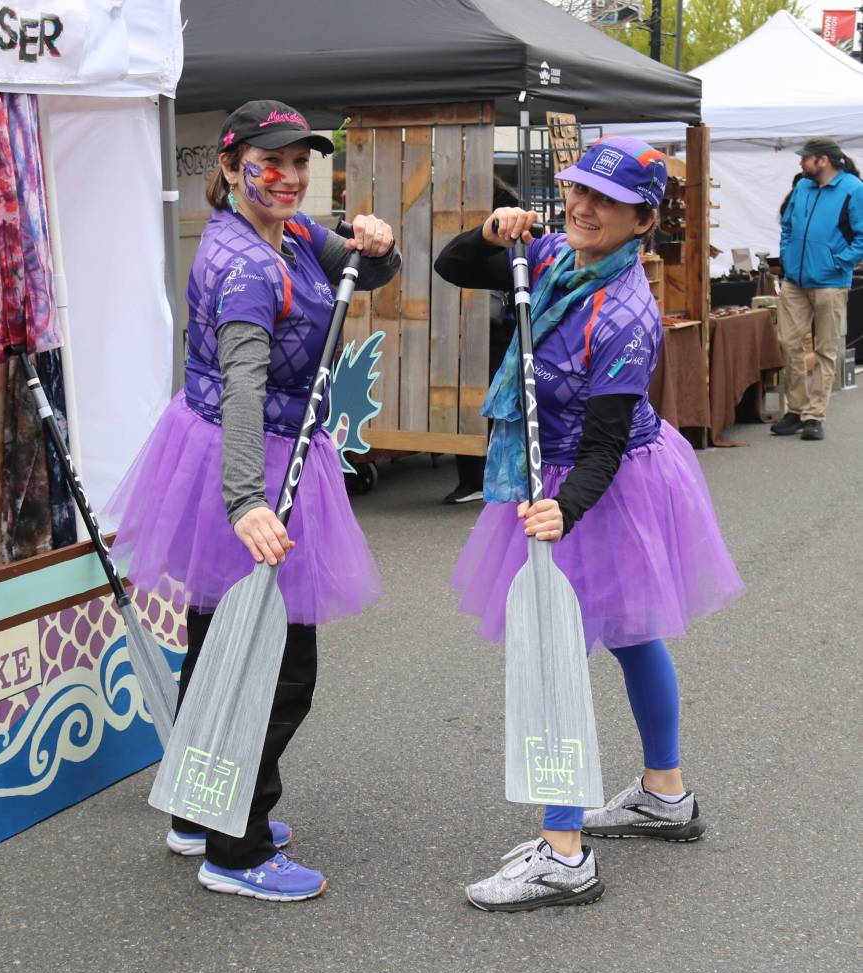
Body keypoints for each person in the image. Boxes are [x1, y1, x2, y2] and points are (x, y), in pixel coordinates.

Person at [434, 136, 744, 912]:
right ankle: (662, 794)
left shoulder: (627, 316)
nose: (581, 206)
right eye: (577, 190)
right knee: (633, 631)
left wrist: (561, 512)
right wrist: (491, 232)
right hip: (564, 466)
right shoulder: (552, 256)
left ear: (642, 219)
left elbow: (603, 444)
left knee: (554, 654)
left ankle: (564, 850)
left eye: (603, 201)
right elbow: (454, 266)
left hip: (599, 478)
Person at [106, 100, 400, 902]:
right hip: (245, 460)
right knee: (277, 666)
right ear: (231, 167)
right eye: (273, 162)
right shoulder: (245, 265)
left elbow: (362, 274)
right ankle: (236, 848)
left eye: (302, 161)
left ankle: (196, 807)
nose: (293, 176)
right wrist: (246, 500)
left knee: (217, 640)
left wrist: (378, 244)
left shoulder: (292, 231)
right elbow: (243, 385)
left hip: (249, 450)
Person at [771, 137, 863, 441]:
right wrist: (786, 256)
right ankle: (796, 409)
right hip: (796, 279)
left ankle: (814, 415)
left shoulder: (853, 188)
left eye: (805, 158)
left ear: (823, 160)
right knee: (788, 341)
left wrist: (839, 262)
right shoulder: (802, 187)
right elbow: (787, 225)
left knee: (826, 348)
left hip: (831, 282)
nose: (801, 161)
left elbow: (861, 237)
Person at [443, 177, 519, 505]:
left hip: (495, 329)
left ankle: (477, 478)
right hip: (482, 329)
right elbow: (449, 263)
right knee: (481, 403)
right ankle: (474, 478)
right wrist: (486, 235)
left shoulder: (526, 239)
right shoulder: (497, 228)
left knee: (488, 403)